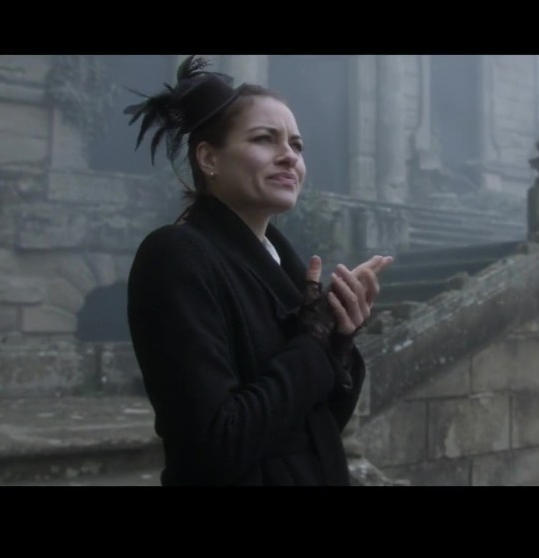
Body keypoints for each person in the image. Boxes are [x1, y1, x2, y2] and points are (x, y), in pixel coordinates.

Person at [125, 55, 393, 485]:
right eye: (265, 139)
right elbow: (218, 445)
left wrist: (338, 340)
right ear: (209, 158)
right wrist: (315, 341)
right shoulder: (176, 256)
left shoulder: (283, 266)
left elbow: (315, 429)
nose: (289, 157)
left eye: (297, 146)